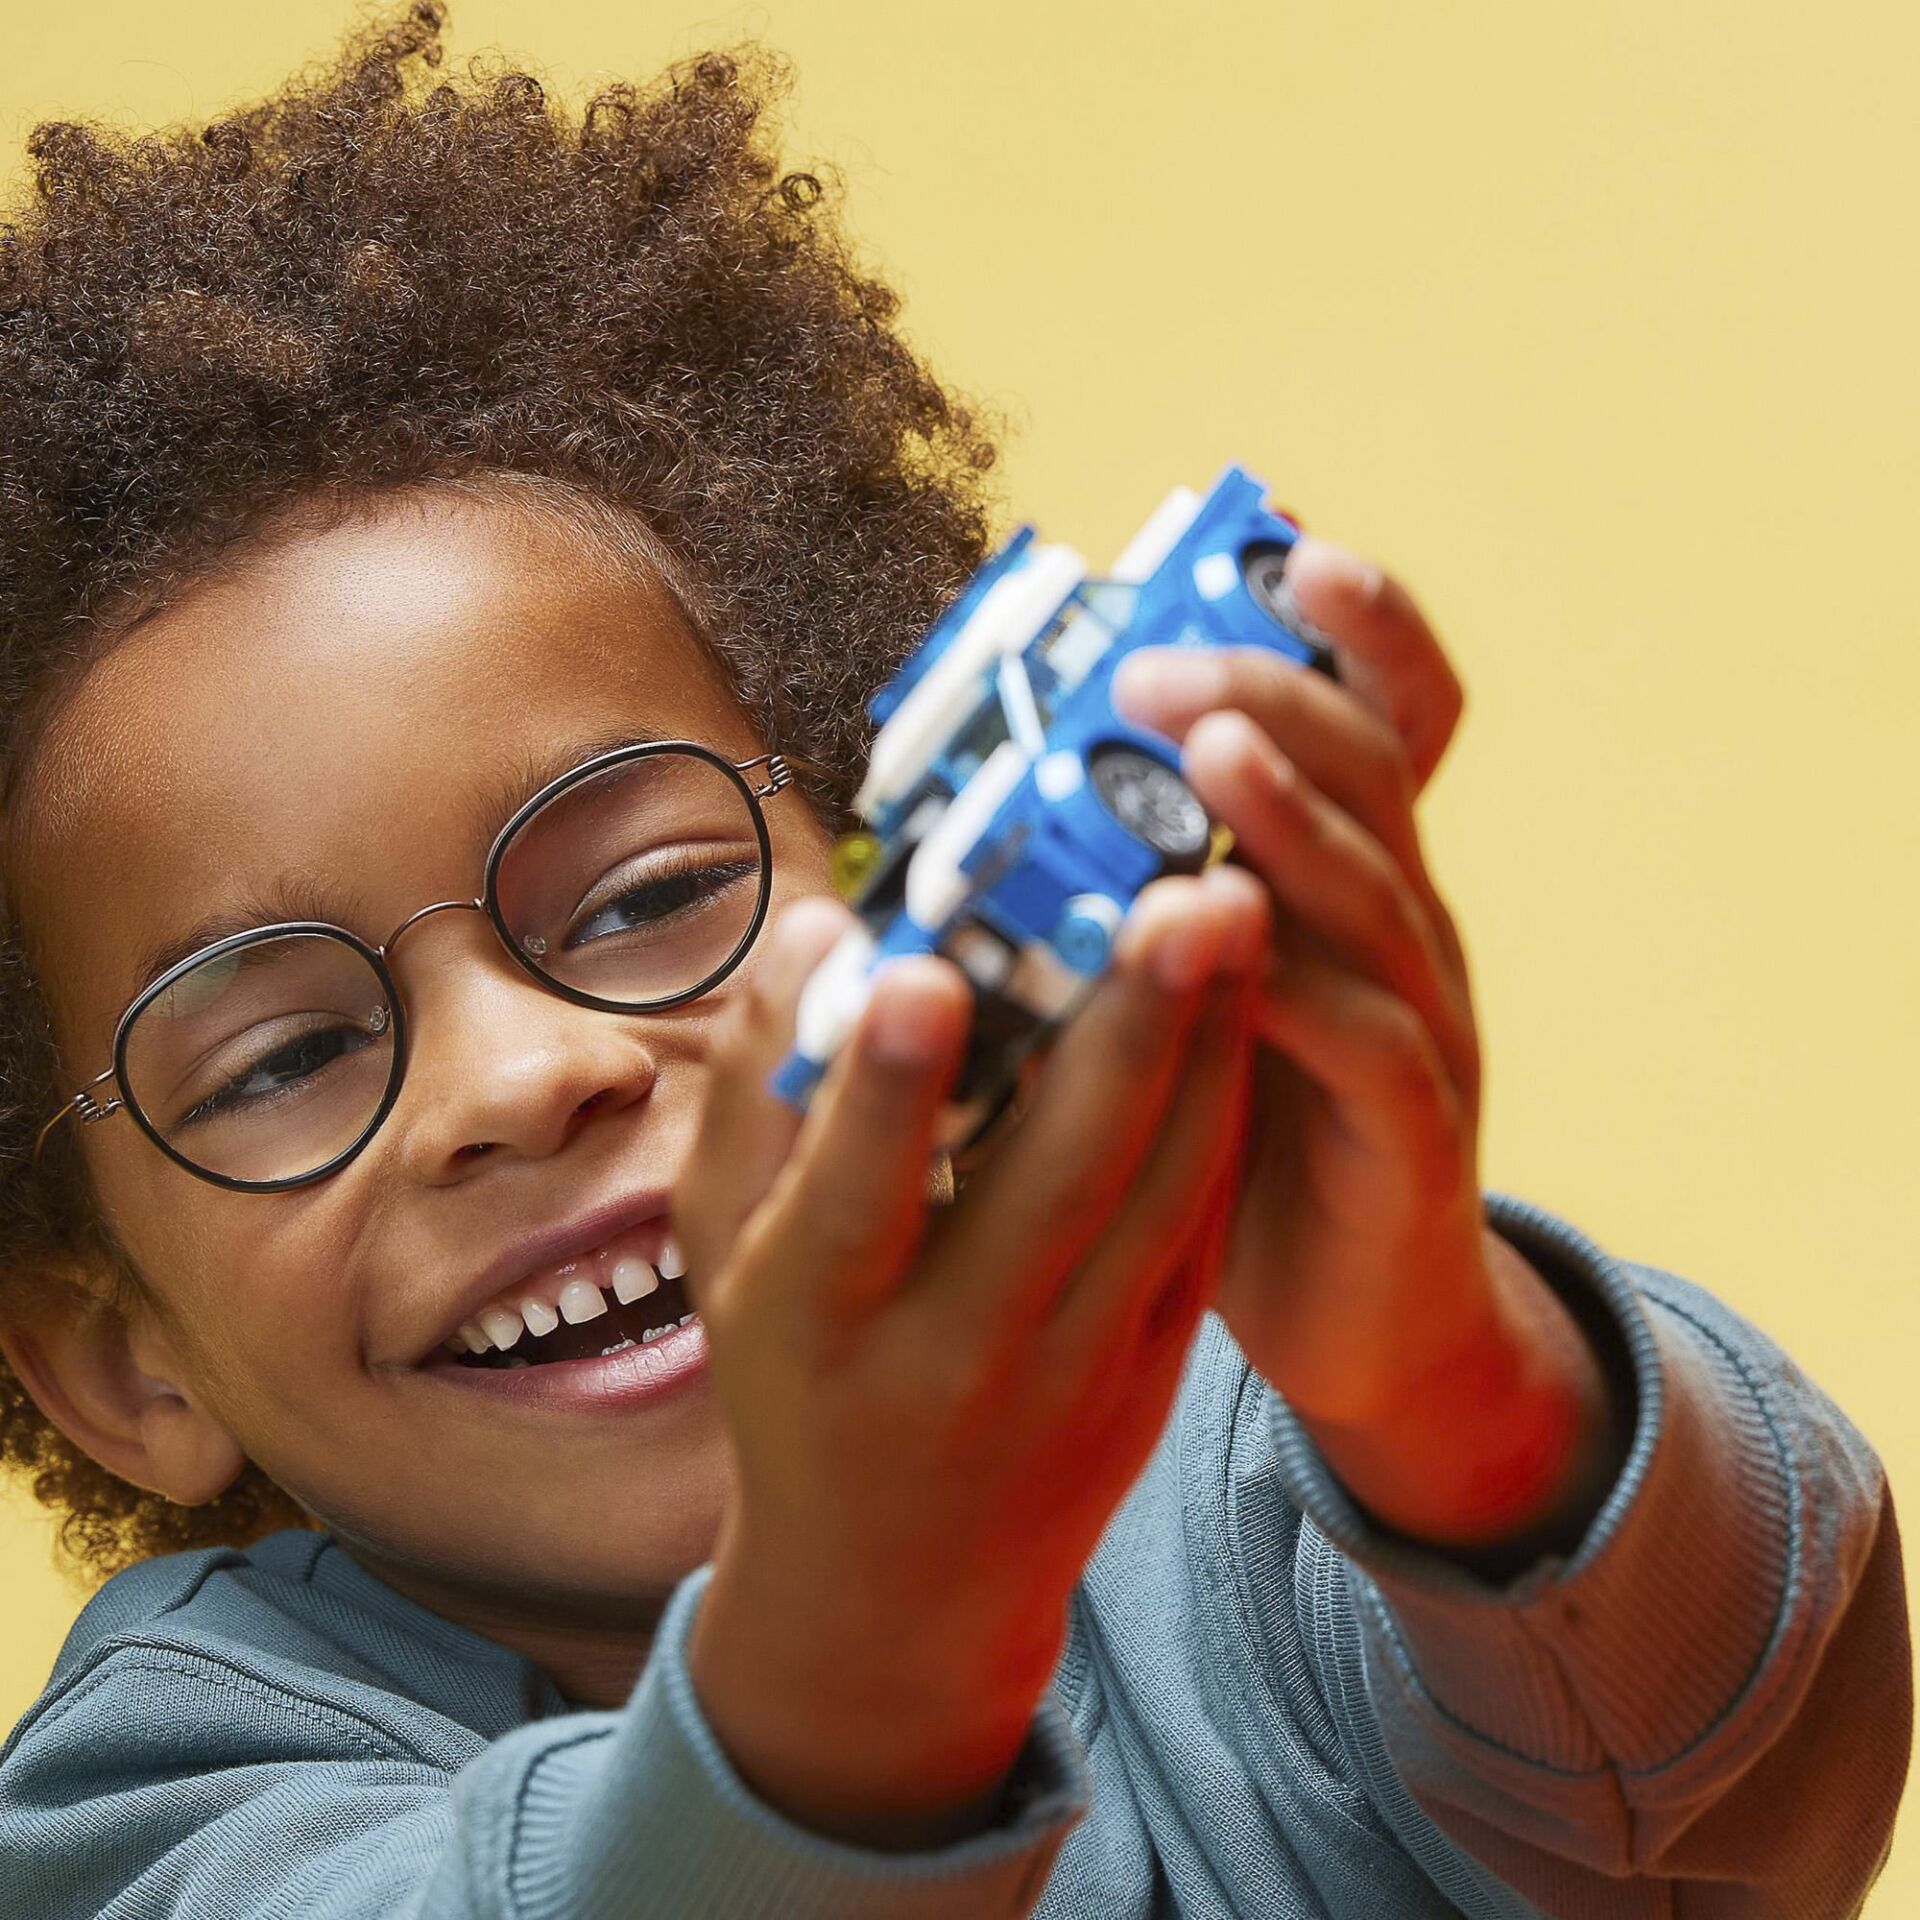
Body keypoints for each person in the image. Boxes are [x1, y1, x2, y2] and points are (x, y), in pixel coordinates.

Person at [0, 9, 1906, 1916]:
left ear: (906, 877)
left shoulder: (1247, 1456)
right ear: (118, 1356)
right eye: (275, 1062)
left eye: (649, 894)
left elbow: (1727, 1807)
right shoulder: (163, 1805)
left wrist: (1449, 1387)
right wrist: (868, 1631)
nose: (521, 1076)